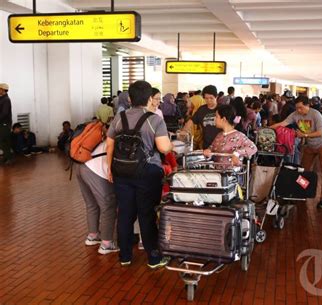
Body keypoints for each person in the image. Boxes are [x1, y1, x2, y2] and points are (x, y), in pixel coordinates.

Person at [106, 80, 173, 268]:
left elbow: (109, 145)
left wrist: (110, 168)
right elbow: (163, 147)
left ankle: (125, 256)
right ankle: (153, 258)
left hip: (121, 171)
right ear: (150, 98)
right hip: (148, 173)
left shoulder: (119, 118)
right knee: (147, 214)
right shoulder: (155, 119)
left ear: (129, 98)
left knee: (125, 213)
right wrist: (171, 145)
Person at [271, 95, 322, 209]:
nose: (299, 110)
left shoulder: (316, 114)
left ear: (307, 105)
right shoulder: (295, 114)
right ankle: (302, 193)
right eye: (297, 108)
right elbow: (282, 123)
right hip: (310, 145)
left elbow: (320, 132)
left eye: (301, 107)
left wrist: (304, 135)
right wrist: (268, 129)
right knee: (303, 170)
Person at [77, 141, 119, 255]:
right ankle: (106, 244)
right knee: (108, 207)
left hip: (81, 166)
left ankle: (93, 236)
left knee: (92, 205)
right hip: (95, 170)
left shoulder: (102, 138)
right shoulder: (115, 137)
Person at [184, 85, 221, 149]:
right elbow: (192, 121)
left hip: (221, 145)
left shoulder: (222, 109)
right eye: (206, 98)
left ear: (216, 97)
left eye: (211, 98)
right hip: (207, 145)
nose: (208, 100)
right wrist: (184, 130)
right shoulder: (202, 109)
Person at [0, 83, 12, 164]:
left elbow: (4, 113)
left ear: (3, 90)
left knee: (3, 141)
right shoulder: (2, 99)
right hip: (2, 123)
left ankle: (8, 158)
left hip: (5, 124)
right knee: (4, 141)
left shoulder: (6, 100)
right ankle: (6, 157)